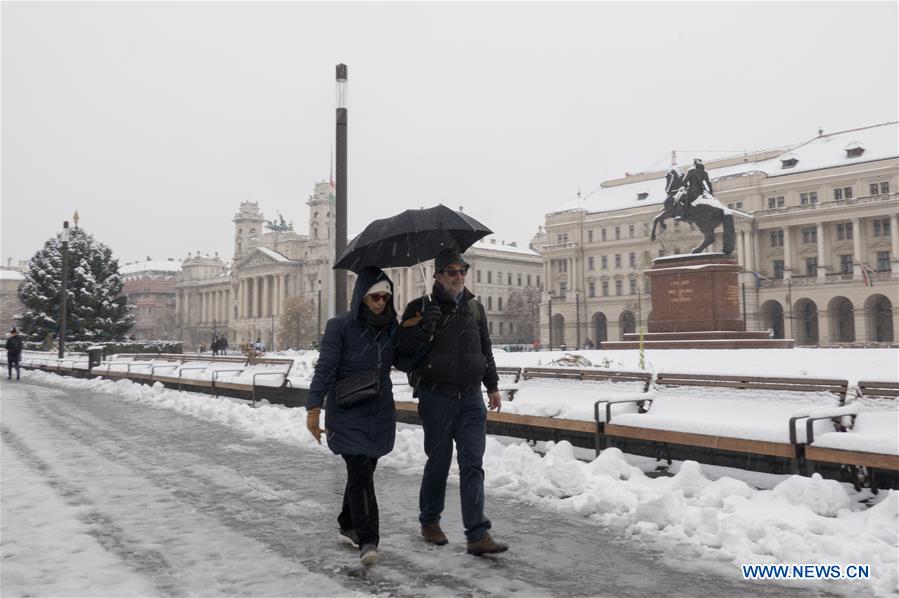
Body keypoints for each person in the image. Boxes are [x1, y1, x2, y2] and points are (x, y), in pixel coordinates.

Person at [396, 248, 508, 556]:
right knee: (440, 462)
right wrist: (422, 328)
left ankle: (477, 534)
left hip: (471, 397)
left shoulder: (474, 308)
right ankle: (430, 520)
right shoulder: (418, 308)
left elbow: (485, 350)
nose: (459, 277)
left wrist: (492, 385)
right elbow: (401, 354)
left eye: (463, 271)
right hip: (436, 396)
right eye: (452, 272)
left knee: (473, 464)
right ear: (438, 276)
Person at [306, 266, 400, 566]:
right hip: (346, 408)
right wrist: (313, 407)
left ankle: (347, 522)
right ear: (362, 296)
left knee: (364, 471)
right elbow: (326, 367)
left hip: (379, 409)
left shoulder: (392, 327)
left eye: (386, 297)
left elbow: (410, 359)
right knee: (360, 470)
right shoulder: (340, 326)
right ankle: (368, 537)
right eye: (375, 296)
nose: (381, 302)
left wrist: (421, 329)